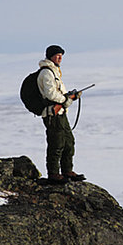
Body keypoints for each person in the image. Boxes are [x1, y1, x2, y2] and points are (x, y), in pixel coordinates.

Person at [37, 45, 86, 184]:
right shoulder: (46, 72)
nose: (60, 58)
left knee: (68, 141)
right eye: (57, 55)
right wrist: (66, 99)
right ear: (50, 56)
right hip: (52, 114)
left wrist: (68, 98)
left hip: (61, 113)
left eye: (61, 55)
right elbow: (50, 94)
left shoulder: (55, 71)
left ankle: (67, 171)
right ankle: (53, 174)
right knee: (56, 143)